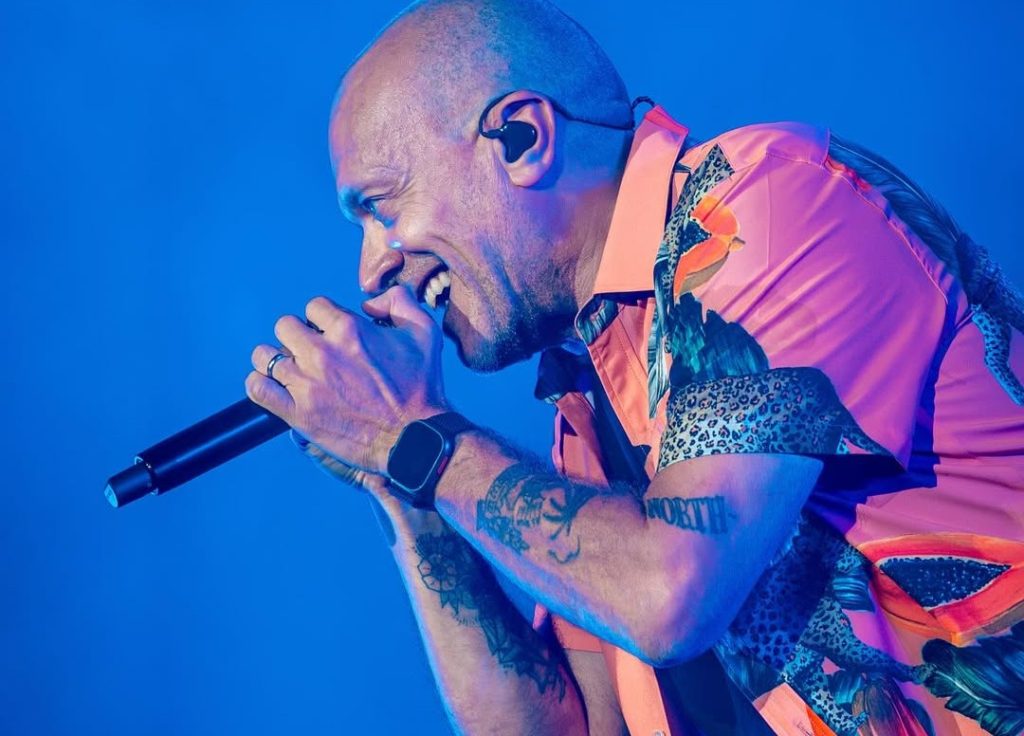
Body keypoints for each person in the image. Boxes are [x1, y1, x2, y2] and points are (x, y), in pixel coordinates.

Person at [245, 1, 1024, 734]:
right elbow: (560, 726)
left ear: (520, 139)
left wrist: (413, 436)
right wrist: (401, 482)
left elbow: (670, 590)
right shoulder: (587, 388)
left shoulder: (765, 202)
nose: (371, 269)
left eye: (381, 207)